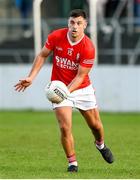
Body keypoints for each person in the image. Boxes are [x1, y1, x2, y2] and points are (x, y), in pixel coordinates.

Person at [14, 9, 114, 172]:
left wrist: (64, 91)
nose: (74, 26)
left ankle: (100, 144)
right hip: (59, 88)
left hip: (81, 88)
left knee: (95, 125)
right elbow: (42, 55)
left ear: (85, 25)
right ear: (68, 23)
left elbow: (80, 77)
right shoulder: (56, 36)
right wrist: (31, 77)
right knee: (64, 127)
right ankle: (72, 163)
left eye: (79, 23)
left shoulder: (88, 47)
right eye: (72, 23)